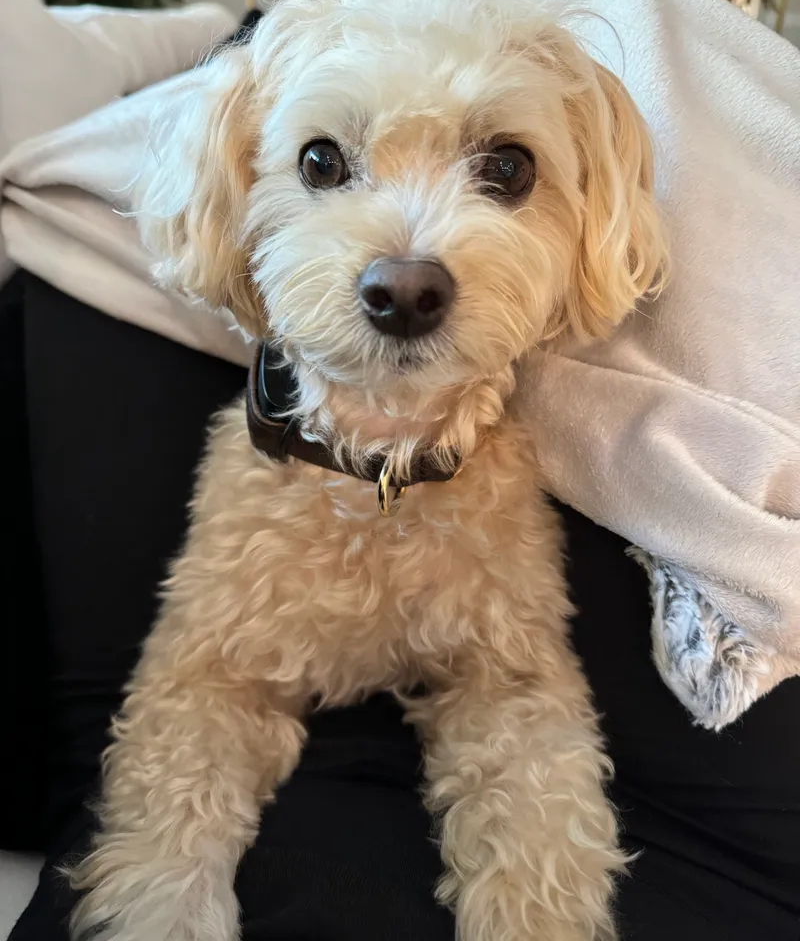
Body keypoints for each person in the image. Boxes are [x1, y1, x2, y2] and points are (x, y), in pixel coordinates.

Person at [3, 270, 799, 941]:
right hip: (275, 459)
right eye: (325, 165)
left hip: (476, 478)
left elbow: (514, 687)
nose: (409, 269)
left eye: (501, 173)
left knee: (518, 711)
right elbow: (208, 683)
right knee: (180, 792)